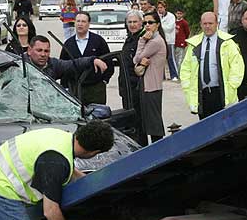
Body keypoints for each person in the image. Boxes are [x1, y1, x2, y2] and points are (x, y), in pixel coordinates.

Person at [180, 12, 244, 119]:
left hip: (221, 92)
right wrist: (187, 86)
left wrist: (232, 85)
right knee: (205, 127)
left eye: (210, 23)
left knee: (224, 128)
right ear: (201, 24)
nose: (207, 26)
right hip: (202, 94)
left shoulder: (227, 42)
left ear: (216, 24)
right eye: (205, 23)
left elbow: (237, 66)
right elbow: (186, 68)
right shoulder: (194, 44)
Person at [59, 11, 114, 105]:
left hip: (95, 89)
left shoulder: (98, 41)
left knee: (97, 116)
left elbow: (109, 63)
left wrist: (104, 80)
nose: (80, 24)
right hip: (75, 89)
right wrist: (65, 87)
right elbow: (63, 66)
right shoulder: (68, 43)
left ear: (89, 24)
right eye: (78, 21)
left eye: (83, 21)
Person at [133, 11, 167, 143]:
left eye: (150, 22)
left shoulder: (155, 42)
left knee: (154, 125)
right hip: (148, 86)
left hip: (152, 87)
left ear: (157, 25)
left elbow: (136, 58)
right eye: (145, 23)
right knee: (149, 122)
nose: (147, 25)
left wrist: (141, 40)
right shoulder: (152, 40)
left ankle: (159, 151)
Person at [120, 9, 148, 146]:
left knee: (139, 123)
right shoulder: (129, 38)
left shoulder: (142, 40)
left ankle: (141, 149)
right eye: (129, 22)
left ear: (141, 23)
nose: (132, 24)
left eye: (135, 22)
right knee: (130, 123)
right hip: (126, 88)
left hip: (136, 88)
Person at [27, 35, 107, 82]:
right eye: (39, 50)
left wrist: (92, 60)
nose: (43, 54)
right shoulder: (18, 65)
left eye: (46, 51)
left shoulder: (54, 64)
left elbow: (74, 64)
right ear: (29, 50)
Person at [157, 0, 179, 81]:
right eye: (158, 8)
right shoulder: (158, 16)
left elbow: (169, 28)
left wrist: (160, 27)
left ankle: (174, 75)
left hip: (169, 40)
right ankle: (161, 76)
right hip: (160, 40)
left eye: (161, 7)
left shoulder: (171, 16)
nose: (160, 9)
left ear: (165, 7)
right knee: (160, 58)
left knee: (170, 58)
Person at [174, 7, 190, 74]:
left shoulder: (184, 23)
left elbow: (187, 32)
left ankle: (179, 73)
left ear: (183, 14)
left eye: (180, 13)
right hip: (174, 42)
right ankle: (175, 72)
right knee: (174, 58)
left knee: (180, 58)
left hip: (181, 42)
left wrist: (184, 40)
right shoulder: (173, 22)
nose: (179, 15)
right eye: (178, 13)